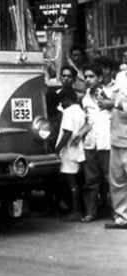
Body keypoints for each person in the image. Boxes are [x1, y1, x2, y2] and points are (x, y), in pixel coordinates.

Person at [81, 62, 114, 222]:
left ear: (99, 78)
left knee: (111, 179)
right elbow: (88, 122)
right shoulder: (85, 98)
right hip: (91, 143)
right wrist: (79, 135)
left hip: (107, 142)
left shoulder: (110, 94)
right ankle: (91, 212)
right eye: (86, 77)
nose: (88, 79)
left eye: (91, 76)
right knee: (91, 180)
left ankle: (118, 212)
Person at [54, 87, 87, 220]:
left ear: (65, 99)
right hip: (79, 150)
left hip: (69, 151)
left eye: (61, 102)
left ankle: (76, 211)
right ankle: (79, 209)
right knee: (78, 181)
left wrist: (57, 149)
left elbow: (67, 132)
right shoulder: (80, 111)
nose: (61, 105)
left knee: (71, 182)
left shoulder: (68, 112)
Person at [107, 66, 127, 228]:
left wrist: (114, 104)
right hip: (116, 136)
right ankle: (122, 216)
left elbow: (115, 103)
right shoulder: (120, 77)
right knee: (117, 180)